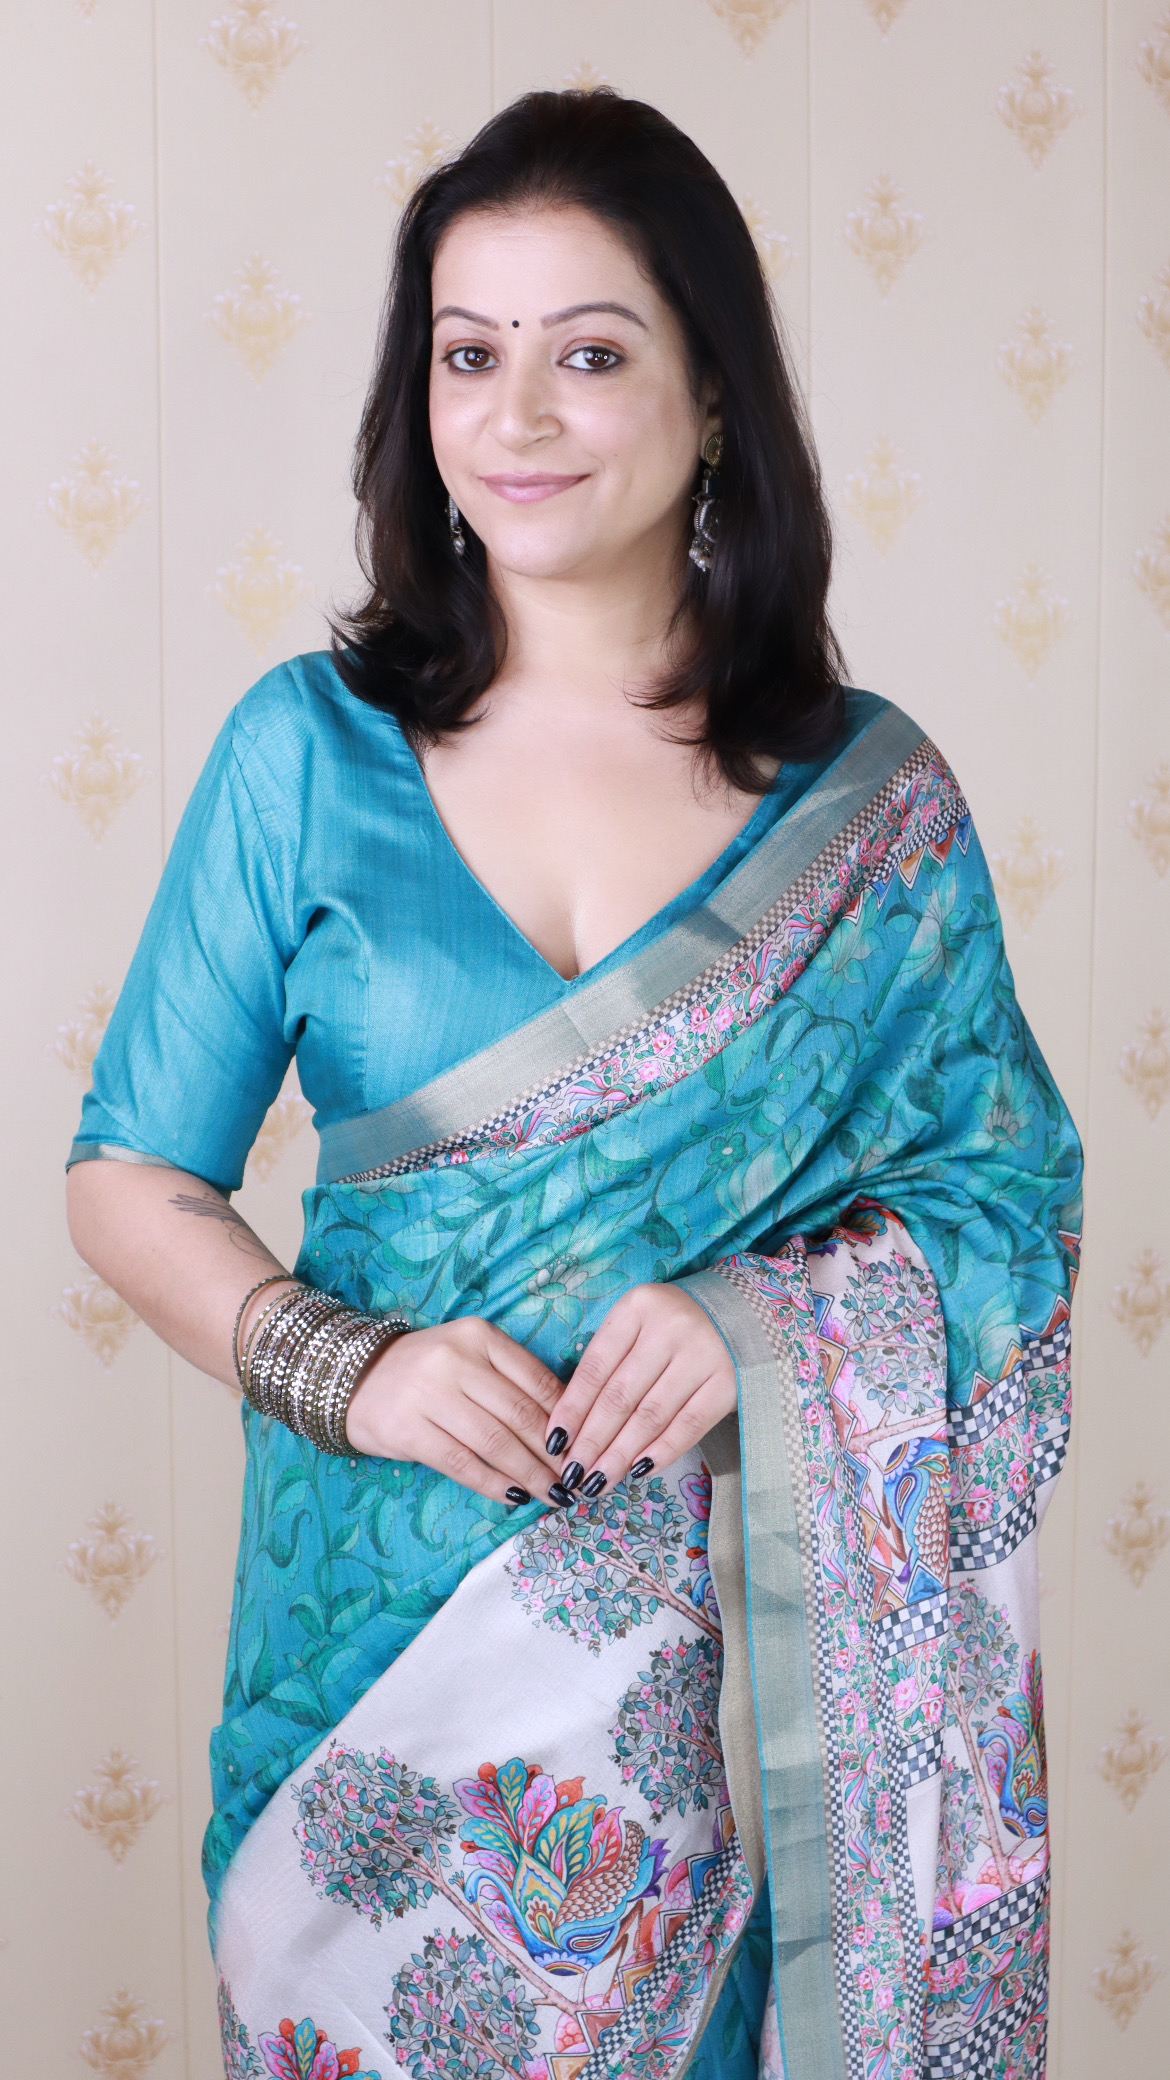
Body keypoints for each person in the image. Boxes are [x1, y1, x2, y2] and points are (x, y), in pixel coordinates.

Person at [67, 89, 1081, 2080]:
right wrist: (347, 1368)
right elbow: (130, 1174)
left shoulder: (867, 809)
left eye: (590, 354)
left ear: (711, 400)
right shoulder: (304, 751)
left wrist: (757, 1326)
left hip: (730, 1718)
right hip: (362, 1685)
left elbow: (1009, 1200)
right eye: (469, 354)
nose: (516, 415)